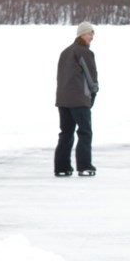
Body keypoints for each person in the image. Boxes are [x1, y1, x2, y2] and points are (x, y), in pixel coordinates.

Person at [54, 21, 99, 177]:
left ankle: (62, 167)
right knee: (85, 132)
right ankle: (84, 166)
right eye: (89, 33)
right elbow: (91, 76)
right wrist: (93, 93)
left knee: (66, 132)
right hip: (79, 100)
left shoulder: (65, 52)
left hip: (63, 100)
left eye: (93, 34)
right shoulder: (84, 52)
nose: (91, 37)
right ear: (81, 35)